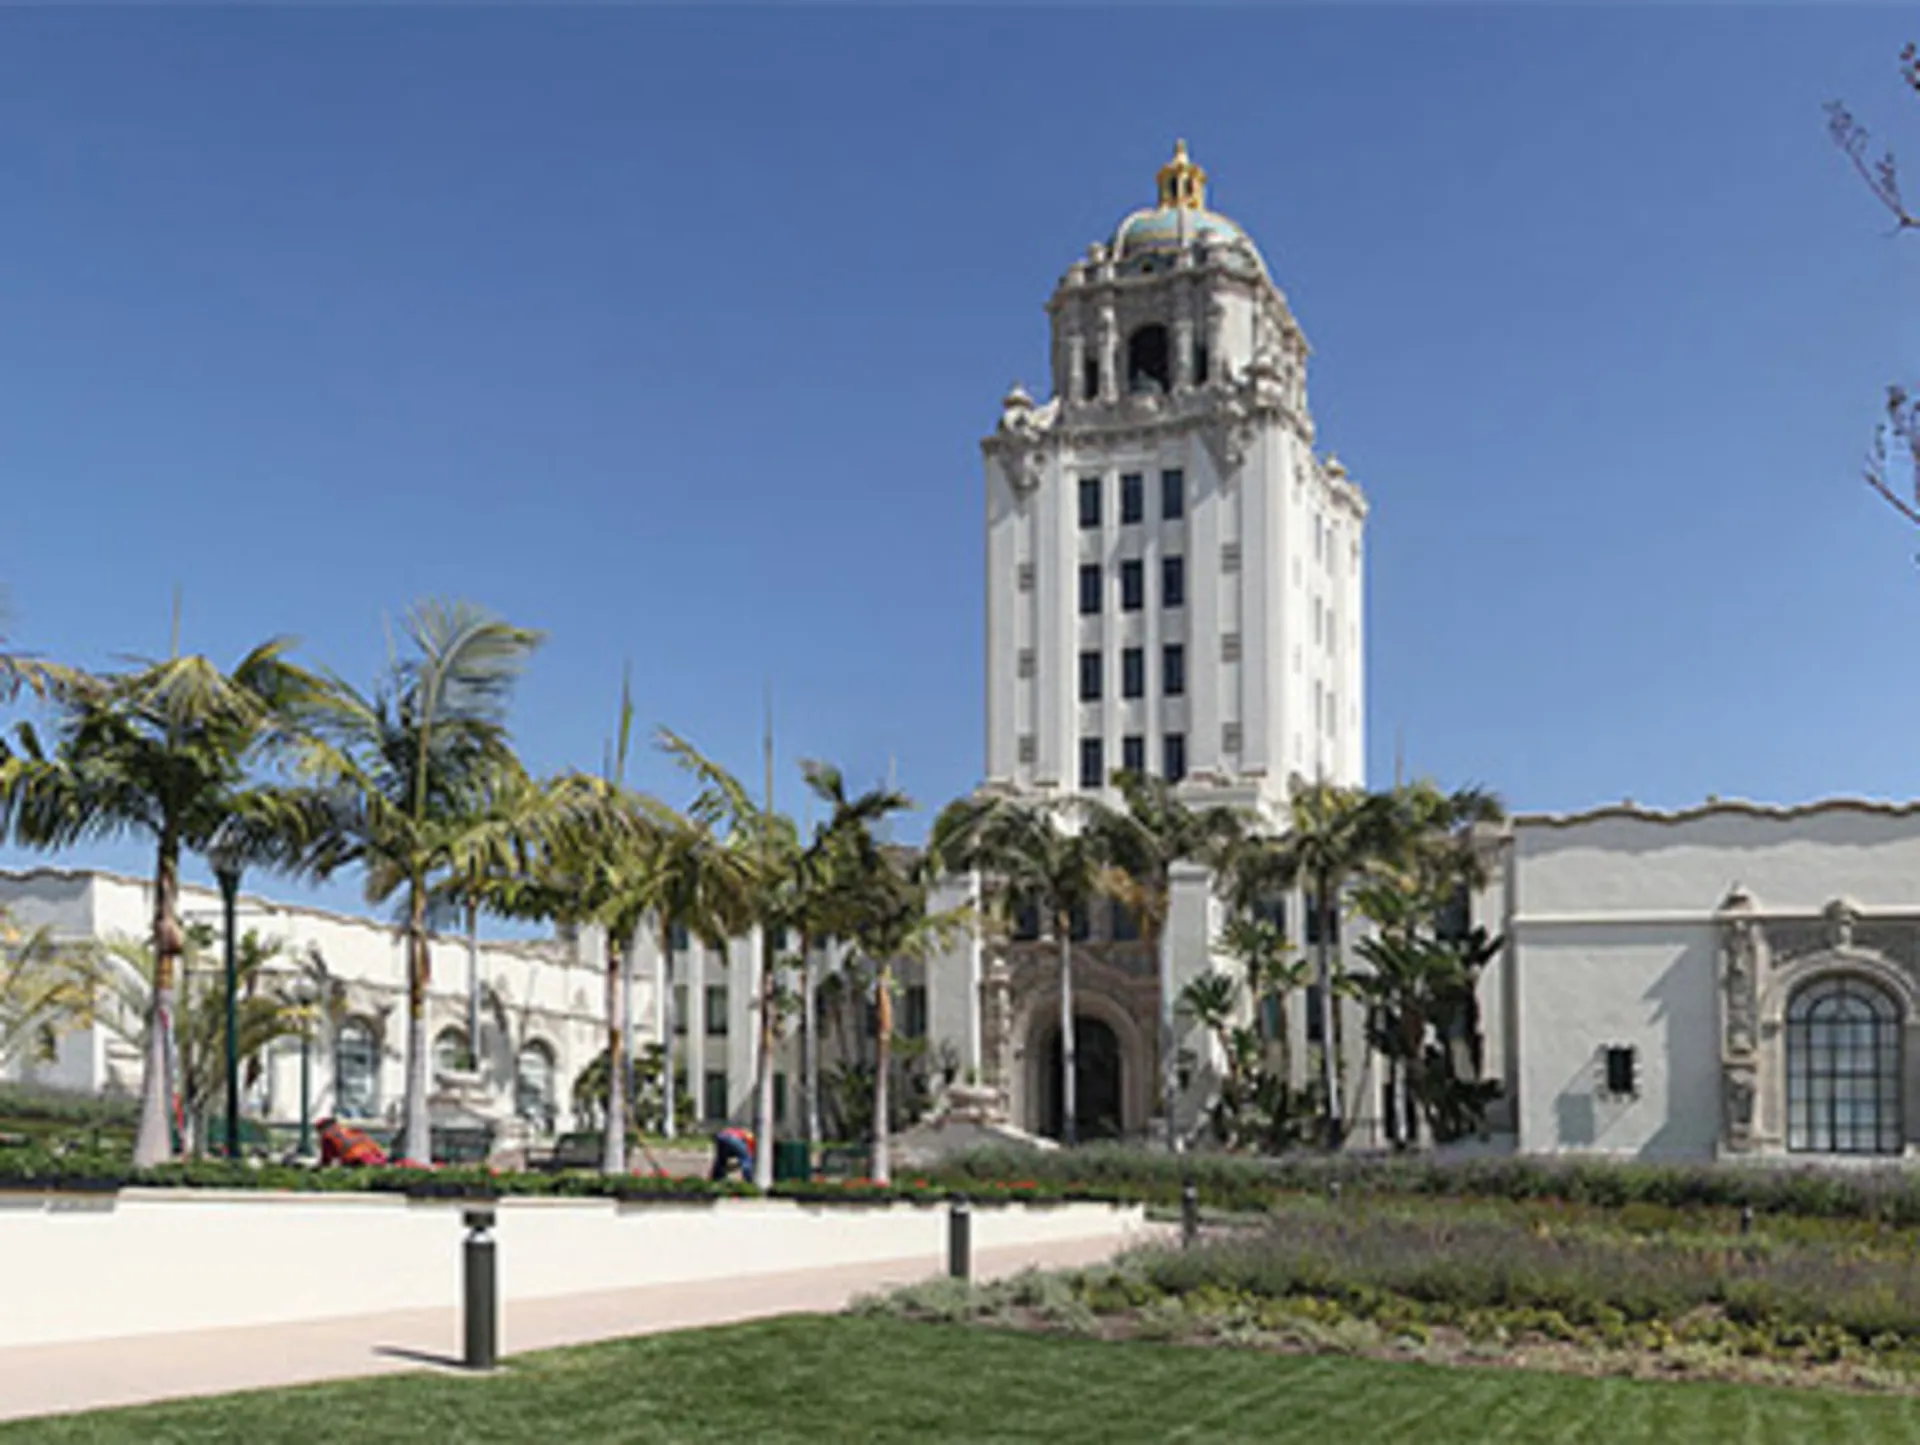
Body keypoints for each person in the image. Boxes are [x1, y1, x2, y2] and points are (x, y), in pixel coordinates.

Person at [317, 1116, 389, 1168]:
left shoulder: (327, 1136)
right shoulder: (348, 1130)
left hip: (357, 1160)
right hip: (378, 1156)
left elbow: (326, 1160)